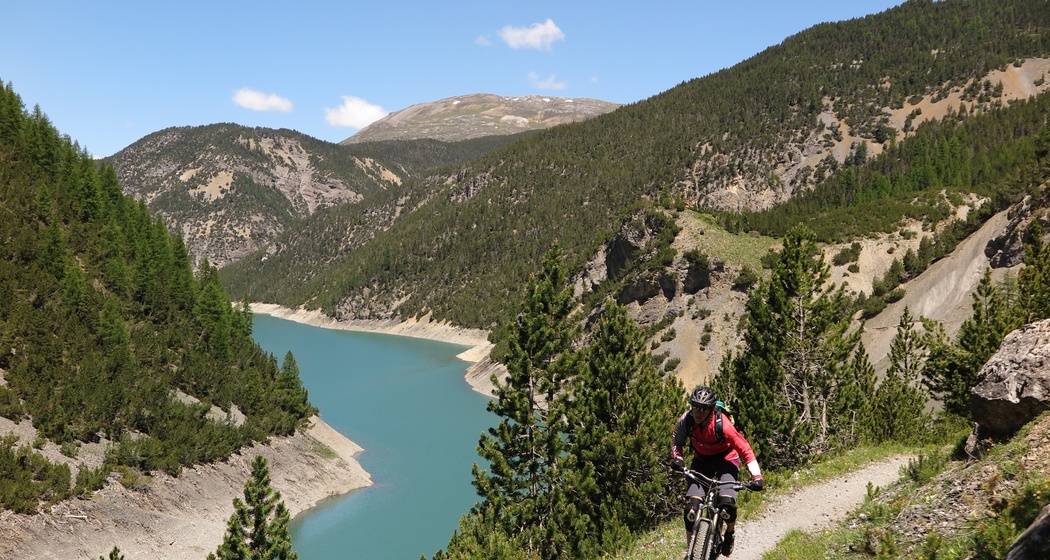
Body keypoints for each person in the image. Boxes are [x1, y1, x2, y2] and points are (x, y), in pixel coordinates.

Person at [671, 385, 764, 557]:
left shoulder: (723, 425)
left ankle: (729, 532)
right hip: (702, 461)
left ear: (711, 409)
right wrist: (678, 459)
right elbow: (677, 441)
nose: (698, 412)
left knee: (727, 505)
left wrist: (757, 477)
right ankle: (691, 550)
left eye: (704, 408)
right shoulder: (687, 420)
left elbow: (745, 449)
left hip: (727, 459)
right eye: (695, 406)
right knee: (691, 510)